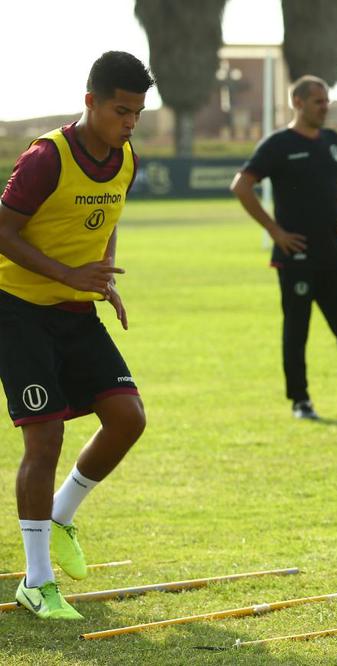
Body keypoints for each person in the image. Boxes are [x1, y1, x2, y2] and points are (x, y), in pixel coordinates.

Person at [0, 51, 153, 619]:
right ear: (90, 101)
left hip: (73, 309)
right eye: (120, 110)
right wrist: (68, 274)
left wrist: (102, 277)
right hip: (17, 310)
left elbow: (108, 221)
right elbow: (2, 230)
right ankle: (36, 580)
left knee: (128, 417)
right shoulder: (47, 157)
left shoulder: (126, 158)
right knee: (43, 442)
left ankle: (62, 514)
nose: (129, 123)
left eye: (137, 112)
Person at [231, 75, 337, 419]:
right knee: (297, 330)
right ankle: (301, 400)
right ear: (298, 103)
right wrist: (275, 231)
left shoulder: (332, 141)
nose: (325, 108)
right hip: (296, 255)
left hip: (333, 253)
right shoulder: (278, 144)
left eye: (327, 101)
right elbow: (242, 186)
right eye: (318, 102)